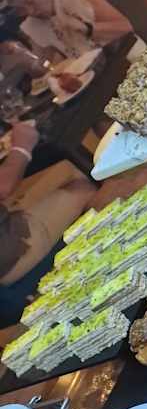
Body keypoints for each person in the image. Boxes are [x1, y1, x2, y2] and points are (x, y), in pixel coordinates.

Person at [0, 122, 96, 327]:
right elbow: (3, 188)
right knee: (83, 188)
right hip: (5, 253)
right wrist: (21, 148)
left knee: (66, 170)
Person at [0, 0, 133, 65]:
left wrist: (87, 29)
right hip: (96, 77)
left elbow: (125, 27)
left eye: (30, 2)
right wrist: (29, 60)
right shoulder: (32, 25)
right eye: (21, 10)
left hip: (125, 57)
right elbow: (55, 63)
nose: (30, 12)